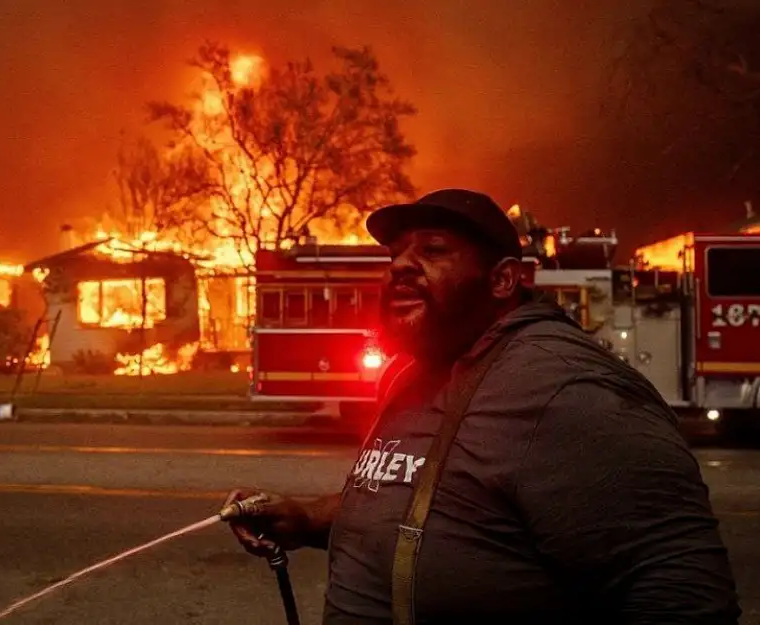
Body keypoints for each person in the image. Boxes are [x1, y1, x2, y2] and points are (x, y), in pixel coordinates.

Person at [224, 189, 740, 624]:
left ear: (503, 280)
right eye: (395, 254)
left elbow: (683, 594)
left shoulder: (564, 388)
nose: (401, 264)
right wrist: (310, 517)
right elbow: (429, 499)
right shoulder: (413, 375)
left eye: (432, 249)